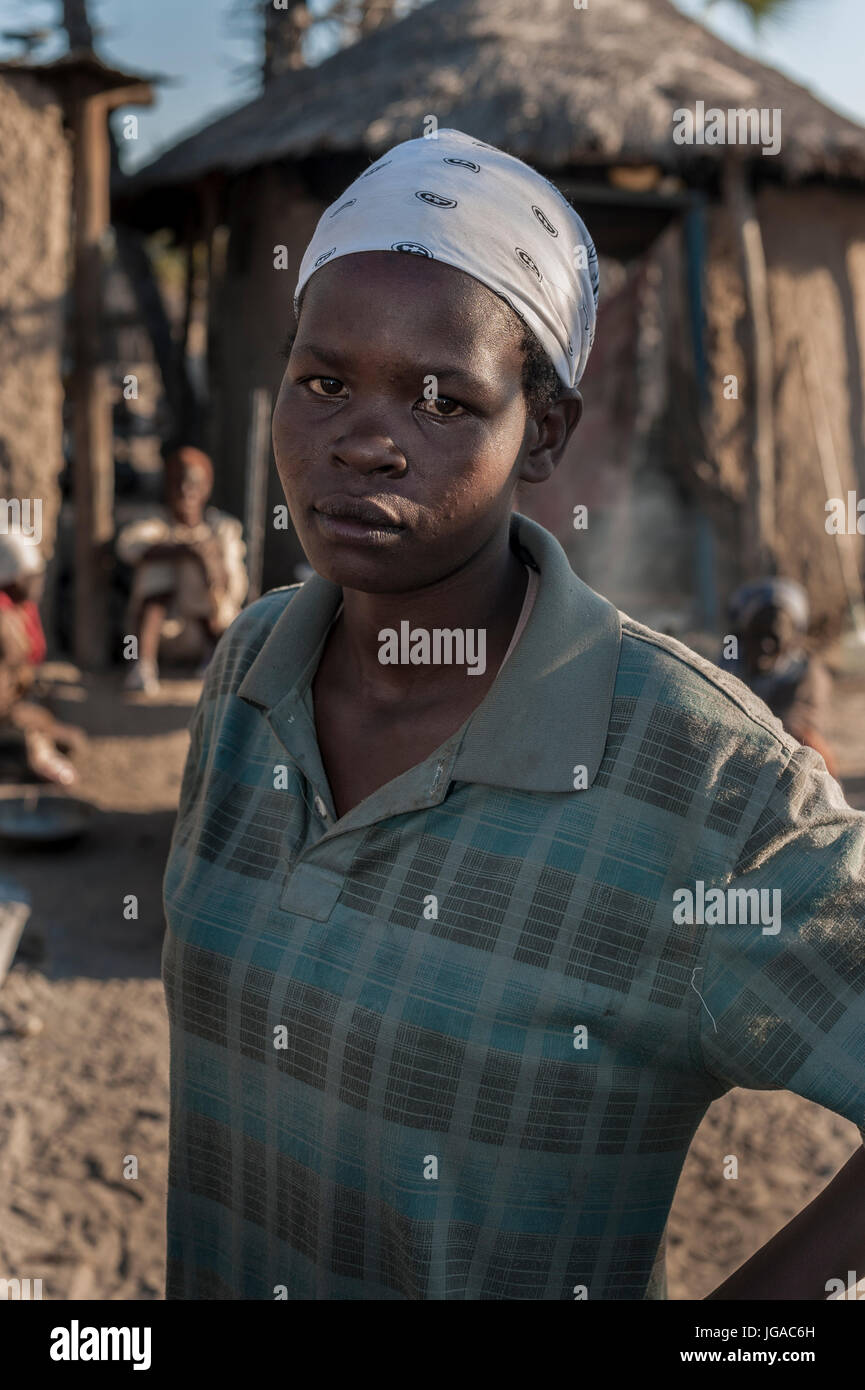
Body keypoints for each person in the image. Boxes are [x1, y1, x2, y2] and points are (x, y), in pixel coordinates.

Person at [162, 130, 865, 1301]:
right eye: (323, 381)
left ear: (542, 432)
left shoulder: (701, 782)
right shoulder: (249, 668)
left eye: (442, 399)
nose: (365, 440)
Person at [117, 445, 247, 694]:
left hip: (210, 630)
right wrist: (187, 550)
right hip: (164, 635)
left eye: (193, 484)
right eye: (178, 483)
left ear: (206, 488)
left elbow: (235, 590)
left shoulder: (223, 528)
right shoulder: (156, 522)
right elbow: (129, 547)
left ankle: (214, 658)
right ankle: (142, 665)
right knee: (165, 560)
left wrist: (208, 561)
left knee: (195, 560)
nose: (185, 492)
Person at [721, 577, 838, 777]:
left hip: (781, 761)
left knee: (807, 740)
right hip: (733, 752)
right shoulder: (732, 654)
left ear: (791, 642)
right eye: (759, 637)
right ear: (745, 633)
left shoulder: (806, 673)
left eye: (773, 640)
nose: (765, 647)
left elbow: (797, 729)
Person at [0, 532, 84, 786]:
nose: (39, 583)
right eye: (32, 577)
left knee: (69, 739)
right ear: (12, 578)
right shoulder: (5, 622)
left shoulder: (20, 611)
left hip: (12, 708)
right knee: (38, 748)